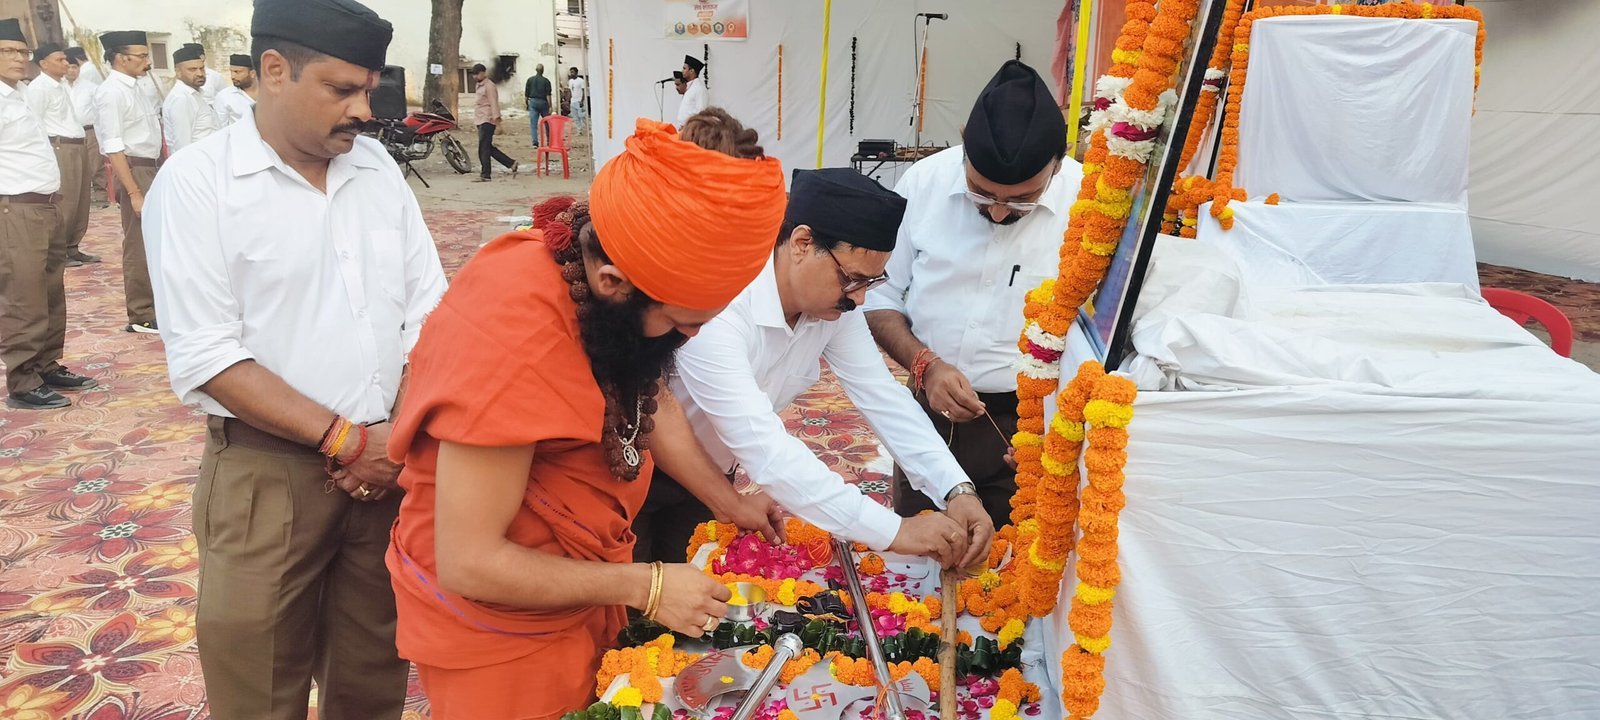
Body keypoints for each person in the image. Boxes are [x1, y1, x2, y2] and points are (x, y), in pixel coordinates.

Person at [385, 113, 789, 720]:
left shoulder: (599, 288)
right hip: (499, 637)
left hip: (580, 591)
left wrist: (727, 502)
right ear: (613, 281)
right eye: (683, 324)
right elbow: (470, 562)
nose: (687, 339)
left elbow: (644, 393)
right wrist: (647, 586)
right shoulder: (514, 335)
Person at [143, 0, 448, 717]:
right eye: (342, 90)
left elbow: (431, 314)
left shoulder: (376, 170)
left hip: (386, 469)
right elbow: (208, 354)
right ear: (274, 71)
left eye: (368, 89)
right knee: (258, 684)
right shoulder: (199, 182)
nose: (363, 111)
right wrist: (348, 442)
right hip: (267, 477)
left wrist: (391, 439)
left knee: (373, 675)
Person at [644, 166, 997, 569]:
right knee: (626, 595)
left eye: (872, 283)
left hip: (711, 476)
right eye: (852, 280)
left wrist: (956, 488)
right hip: (634, 472)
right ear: (802, 243)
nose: (859, 300)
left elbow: (883, 396)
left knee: (687, 585)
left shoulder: (833, 310)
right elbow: (765, 448)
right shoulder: (723, 306)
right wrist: (893, 531)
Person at [865, 60, 1083, 531]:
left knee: (1013, 558)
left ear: (1058, 165)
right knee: (919, 552)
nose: (1000, 213)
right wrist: (925, 365)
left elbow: (1104, 337)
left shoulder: (1088, 208)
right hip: (927, 413)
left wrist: (1053, 430)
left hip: (1030, 428)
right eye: (981, 195)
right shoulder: (923, 183)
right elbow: (879, 297)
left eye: (1022, 201)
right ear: (964, 153)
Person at [1, 19, 95, 410]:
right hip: (15, 208)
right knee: (24, 296)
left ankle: (46, 365)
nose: (18, 58)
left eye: (21, 51)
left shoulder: (22, 93)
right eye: (7, 51)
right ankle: (23, 380)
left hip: (46, 205)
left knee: (51, 291)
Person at [94, 29, 162, 335]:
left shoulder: (136, 87)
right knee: (137, 242)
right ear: (121, 58)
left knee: (155, 239)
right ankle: (141, 313)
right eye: (142, 56)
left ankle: (156, 304)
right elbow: (114, 146)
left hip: (151, 167)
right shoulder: (111, 92)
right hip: (135, 170)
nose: (148, 61)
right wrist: (134, 191)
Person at [22, 42, 93, 280]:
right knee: (67, 199)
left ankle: (73, 246)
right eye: (59, 60)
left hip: (77, 144)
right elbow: (35, 123)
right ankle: (61, 250)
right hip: (60, 147)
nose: (66, 63)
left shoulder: (61, 85)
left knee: (82, 198)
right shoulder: (39, 88)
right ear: (43, 64)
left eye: (66, 59)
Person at [64, 46, 106, 243]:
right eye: (69, 67)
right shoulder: (59, 87)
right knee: (73, 170)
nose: (72, 70)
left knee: (95, 165)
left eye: (75, 67)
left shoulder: (90, 87)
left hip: (89, 130)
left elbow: (99, 113)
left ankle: (101, 195)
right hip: (67, 135)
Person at [161, 44, 216, 153]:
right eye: (192, 69)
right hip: (195, 161)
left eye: (202, 69)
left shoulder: (195, 95)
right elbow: (182, 145)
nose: (200, 74)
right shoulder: (181, 98)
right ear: (178, 72)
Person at [471, 62, 517, 181]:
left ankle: (486, 174)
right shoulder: (479, 85)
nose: (475, 77)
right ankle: (511, 163)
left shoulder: (489, 86)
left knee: (483, 148)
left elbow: (494, 104)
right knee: (487, 147)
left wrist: (497, 123)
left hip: (487, 119)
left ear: (483, 73)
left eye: (477, 74)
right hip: (480, 119)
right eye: (473, 74)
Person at [212, 54, 257, 127]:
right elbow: (220, 127)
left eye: (237, 72)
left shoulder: (269, 93)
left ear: (252, 73)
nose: (232, 76)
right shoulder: (224, 96)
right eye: (231, 72)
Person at [524, 62, 551, 147]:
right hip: (543, 102)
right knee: (547, 122)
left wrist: (526, 104)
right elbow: (548, 95)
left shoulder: (530, 80)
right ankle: (549, 141)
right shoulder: (546, 81)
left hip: (533, 102)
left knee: (533, 124)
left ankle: (535, 143)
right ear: (543, 71)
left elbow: (526, 94)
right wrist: (550, 106)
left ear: (536, 70)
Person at [676, 54, 706, 127]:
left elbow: (701, 114)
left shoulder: (700, 88)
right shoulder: (689, 87)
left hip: (691, 129)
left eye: (684, 68)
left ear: (692, 71)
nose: (682, 71)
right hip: (683, 128)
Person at [566, 66, 586, 130]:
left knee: (581, 116)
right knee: (575, 117)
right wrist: (567, 101)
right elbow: (570, 91)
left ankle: (585, 128)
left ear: (576, 72)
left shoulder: (581, 81)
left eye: (572, 72)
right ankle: (579, 130)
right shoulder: (570, 81)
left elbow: (584, 91)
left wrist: (582, 101)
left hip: (579, 101)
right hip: (573, 101)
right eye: (570, 72)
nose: (571, 73)